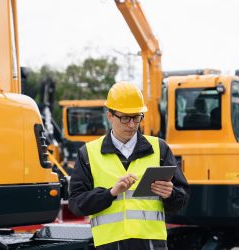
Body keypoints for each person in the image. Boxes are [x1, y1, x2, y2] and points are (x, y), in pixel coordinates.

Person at [68, 82, 189, 250]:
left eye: (137, 117)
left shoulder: (160, 149)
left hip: (151, 243)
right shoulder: (88, 153)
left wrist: (171, 194)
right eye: (125, 118)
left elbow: (182, 199)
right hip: (109, 244)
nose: (132, 125)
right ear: (109, 115)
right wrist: (110, 193)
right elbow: (76, 204)